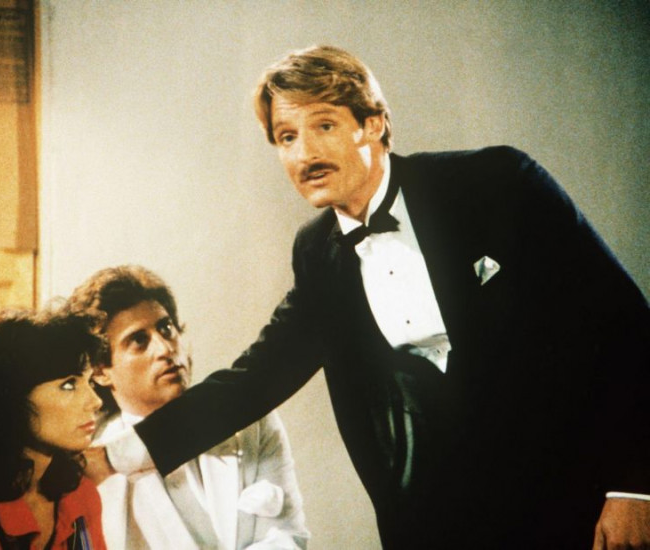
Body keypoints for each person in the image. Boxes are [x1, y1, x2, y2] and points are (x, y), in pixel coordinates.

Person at [91, 46, 650, 549]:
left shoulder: (497, 183)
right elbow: (257, 377)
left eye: (324, 125)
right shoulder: (317, 252)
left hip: (578, 504)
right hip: (438, 528)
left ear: (373, 124)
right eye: (286, 137)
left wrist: (635, 487)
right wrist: (112, 457)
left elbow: (626, 325)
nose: (305, 153)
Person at [66, 265, 309, 550]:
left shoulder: (251, 423)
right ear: (100, 371)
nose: (165, 349)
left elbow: (287, 539)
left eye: (166, 329)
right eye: (139, 340)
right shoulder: (88, 465)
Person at [0, 308, 107, 549]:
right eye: (69, 385)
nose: (95, 401)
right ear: (10, 398)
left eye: (89, 382)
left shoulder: (80, 497)